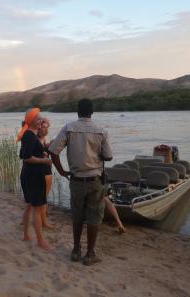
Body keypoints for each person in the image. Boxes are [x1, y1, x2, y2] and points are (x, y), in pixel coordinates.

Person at [49, 99, 113, 265]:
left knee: (77, 215)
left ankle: (76, 250)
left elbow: (53, 151)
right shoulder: (101, 131)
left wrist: (62, 171)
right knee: (94, 217)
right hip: (95, 180)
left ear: (78, 111)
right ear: (92, 112)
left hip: (76, 180)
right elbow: (109, 156)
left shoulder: (69, 128)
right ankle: (90, 253)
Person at [16, 108, 52, 250]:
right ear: (32, 121)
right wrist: (44, 161)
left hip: (28, 174)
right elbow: (26, 157)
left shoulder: (29, 134)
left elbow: (24, 154)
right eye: (39, 119)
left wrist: (41, 153)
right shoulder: (30, 136)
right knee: (37, 208)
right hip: (33, 175)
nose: (41, 120)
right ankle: (40, 241)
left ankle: (26, 235)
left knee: (30, 205)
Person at [37, 117, 53, 229]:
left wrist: (48, 147)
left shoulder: (43, 140)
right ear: (38, 128)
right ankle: (44, 222)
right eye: (43, 127)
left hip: (46, 171)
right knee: (43, 198)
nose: (46, 130)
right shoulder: (37, 140)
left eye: (47, 127)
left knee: (43, 197)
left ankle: (42, 219)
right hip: (43, 172)